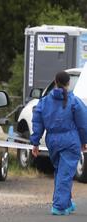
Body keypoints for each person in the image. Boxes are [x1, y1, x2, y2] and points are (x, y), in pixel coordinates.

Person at [31, 71, 87, 216]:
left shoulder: (44, 101)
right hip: (70, 141)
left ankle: (66, 203)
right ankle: (59, 206)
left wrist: (35, 142)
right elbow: (83, 124)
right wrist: (84, 141)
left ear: (55, 81)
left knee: (61, 172)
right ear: (69, 83)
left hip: (53, 142)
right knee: (65, 173)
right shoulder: (74, 101)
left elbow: (37, 121)